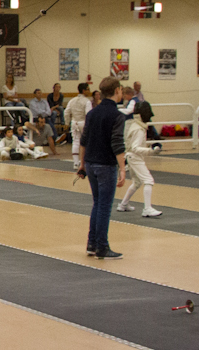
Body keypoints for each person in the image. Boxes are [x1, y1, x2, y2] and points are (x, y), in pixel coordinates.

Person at [80, 76, 128, 259]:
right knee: (105, 206)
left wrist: (82, 164)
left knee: (97, 203)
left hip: (91, 163)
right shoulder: (117, 116)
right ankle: (102, 246)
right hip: (106, 164)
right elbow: (117, 143)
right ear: (117, 91)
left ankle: (92, 244)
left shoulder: (92, 114)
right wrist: (122, 168)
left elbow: (84, 140)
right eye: (121, 89)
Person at [117, 99, 161, 218]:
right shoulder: (138, 129)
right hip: (134, 157)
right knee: (148, 181)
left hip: (131, 156)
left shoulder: (135, 125)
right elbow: (135, 147)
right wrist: (151, 151)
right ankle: (147, 209)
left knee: (137, 182)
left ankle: (123, 204)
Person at [64, 82, 92, 170]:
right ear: (83, 91)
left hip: (74, 122)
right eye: (88, 89)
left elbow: (66, 112)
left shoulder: (72, 100)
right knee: (87, 142)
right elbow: (88, 114)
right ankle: (86, 162)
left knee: (76, 142)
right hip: (84, 123)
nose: (89, 91)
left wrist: (67, 123)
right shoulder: (87, 101)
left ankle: (76, 163)